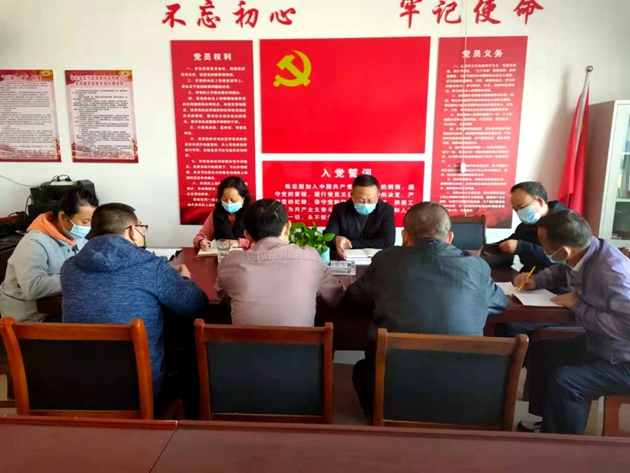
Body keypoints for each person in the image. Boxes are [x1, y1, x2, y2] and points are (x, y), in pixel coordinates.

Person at [345, 202, 509, 415]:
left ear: (404, 236)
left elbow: (353, 299)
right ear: (449, 237)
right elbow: (500, 303)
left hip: (394, 392)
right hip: (464, 393)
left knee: (362, 369)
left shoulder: (386, 260)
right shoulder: (476, 266)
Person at [61, 203, 209, 396]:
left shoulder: (69, 268)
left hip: (80, 387)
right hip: (140, 389)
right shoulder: (151, 267)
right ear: (132, 231)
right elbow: (195, 304)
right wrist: (183, 280)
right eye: (141, 227)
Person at [513, 210, 630, 434]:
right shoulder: (586, 251)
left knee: (566, 382)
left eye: (544, 245)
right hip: (602, 345)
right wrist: (536, 280)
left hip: (623, 361)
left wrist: (578, 306)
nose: (542, 249)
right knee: (542, 349)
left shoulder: (614, 274)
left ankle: (564, 444)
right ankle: (549, 423)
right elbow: (561, 269)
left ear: (564, 250)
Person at [216, 199, 345, 326]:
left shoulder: (229, 263)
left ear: (247, 235)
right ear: (288, 227)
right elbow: (336, 298)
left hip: (243, 341)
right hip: (300, 341)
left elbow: (225, 299)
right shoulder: (310, 258)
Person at [0, 189, 98, 322]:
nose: (89, 227)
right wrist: (77, 277)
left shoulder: (75, 237)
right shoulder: (34, 242)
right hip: (32, 318)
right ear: (63, 217)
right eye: (85, 222)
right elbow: (33, 287)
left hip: (59, 306)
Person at [494, 182, 567, 273]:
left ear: (540, 202)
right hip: (527, 276)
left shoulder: (566, 224)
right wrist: (486, 248)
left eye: (522, 207)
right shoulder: (525, 226)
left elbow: (561, 262)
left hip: (555, 280)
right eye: (515, 209)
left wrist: (521, 247)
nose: (519, 212)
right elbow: (508, 244)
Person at [324, 175, 395, 259]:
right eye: (360, 200)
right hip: (344, 259)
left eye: (370, 200)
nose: (366, 204)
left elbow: (387, 241)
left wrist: (352, 243)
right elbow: (328, 236)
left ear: (378, 196)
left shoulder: (386, 210)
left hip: (377, 260)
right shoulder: (340, 209)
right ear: (352, 196)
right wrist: (336, 239)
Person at [193, 176, 252, 251]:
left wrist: (239, 242)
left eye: (233, 200)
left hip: (247, 256)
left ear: (243, 199)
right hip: (223, 256)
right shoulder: (217, 213)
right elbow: (200, 236)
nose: (229, 203)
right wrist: (201, 242)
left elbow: (260, 242)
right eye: (225, 199)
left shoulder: (253, 213)